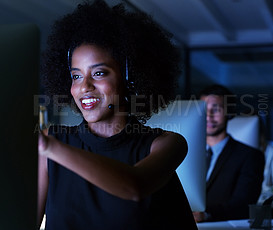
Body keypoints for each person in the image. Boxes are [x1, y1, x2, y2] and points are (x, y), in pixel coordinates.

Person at [37, 1, 197, 229]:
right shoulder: (50, 145)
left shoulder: (166, 144)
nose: (84, 87)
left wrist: (50, 148)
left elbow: (135, 186)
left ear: (131, 79)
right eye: (76, 76)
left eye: (99, 73)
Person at [193, 84, 265, 222]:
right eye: (204, 110)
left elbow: (243, 205)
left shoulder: (250, 156)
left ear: (229, 113)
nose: (209, 116)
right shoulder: (187, 153)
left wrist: (206, 214)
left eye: (216, 109)